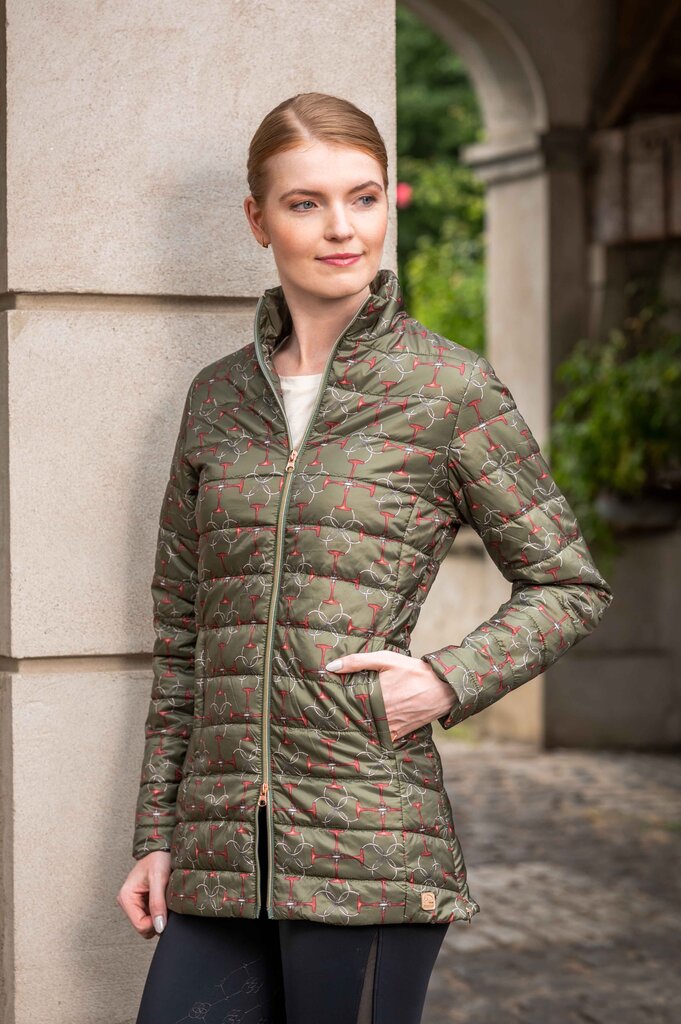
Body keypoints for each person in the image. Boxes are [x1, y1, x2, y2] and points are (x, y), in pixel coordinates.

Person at [117, 92, 614, 1024]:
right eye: (305, 203)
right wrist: (159, 836)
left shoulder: (446, 389)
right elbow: (183, 639)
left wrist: (441, 680)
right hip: (222, 851)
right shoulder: (216, 400)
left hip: (369, 842)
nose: (340, 228)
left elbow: (566, 583)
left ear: (390, 204)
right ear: (257, 219)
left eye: (364, 197)